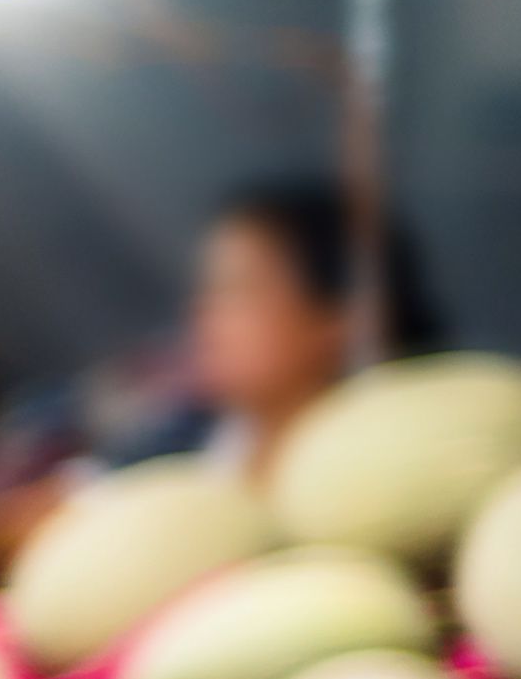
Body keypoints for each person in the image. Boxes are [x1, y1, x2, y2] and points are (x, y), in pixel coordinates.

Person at [123, 178, 439, 485]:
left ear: (342, 318)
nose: (203, 311)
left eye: (238, 288)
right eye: (208, 288)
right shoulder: (194, 455)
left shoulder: (379, 472)